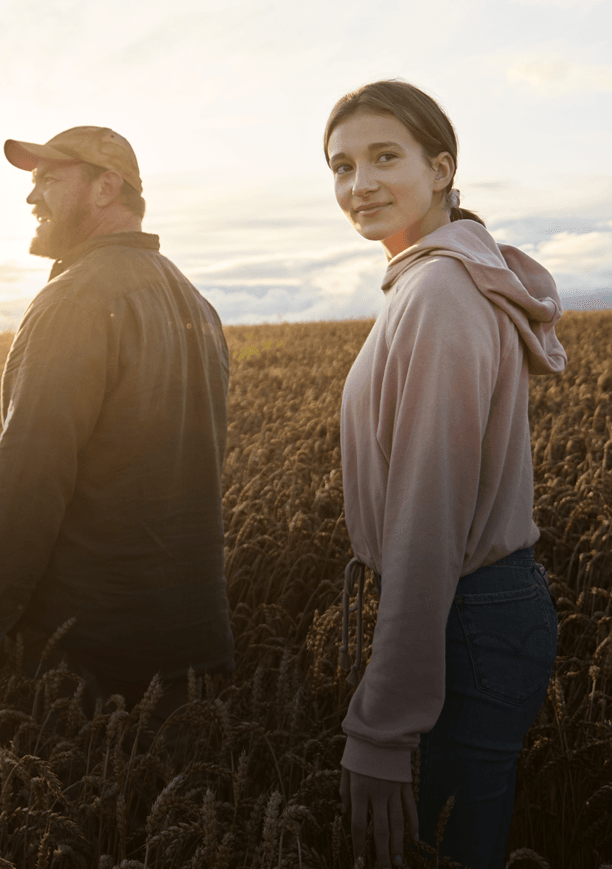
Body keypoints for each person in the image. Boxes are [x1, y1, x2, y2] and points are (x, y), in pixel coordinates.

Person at [323, 81, 566, 869]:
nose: (358, 184)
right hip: (475, 614)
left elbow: (427, 520)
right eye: (341, 165)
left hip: (460, 616)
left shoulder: (438, 293)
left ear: (440, 166)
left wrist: (381, 728)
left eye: (382, 157)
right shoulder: (432, 278)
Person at [0, 126, 235, 735]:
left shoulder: (74, 300)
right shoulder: (196, 304)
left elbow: (28, 477)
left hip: (91, 663)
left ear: (107, 187)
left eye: (50, 179)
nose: (33, 198)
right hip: (189, 652)